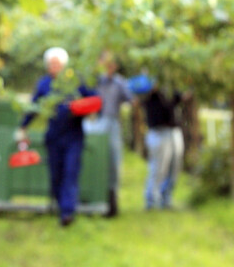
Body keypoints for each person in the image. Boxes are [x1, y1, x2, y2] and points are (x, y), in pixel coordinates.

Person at [16, 47, 96, 226]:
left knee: (70, 172)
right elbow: (34, 108)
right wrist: (23, 127)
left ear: (64, 65)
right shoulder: (44, 85)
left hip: (74, 136)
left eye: (57, 64)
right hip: (53, 136)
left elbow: (95, 99)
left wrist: (84, 109)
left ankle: (67, 213)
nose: (54, 67)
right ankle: (61, 207)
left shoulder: (75, 82)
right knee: (57, 175)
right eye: (51, 64)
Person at [96, 50, 135, 217]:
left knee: (113, 162)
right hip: (94, 122)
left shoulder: (120, 83)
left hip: (112, 123)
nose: (109, 67)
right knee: (95, 159)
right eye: (106, 63)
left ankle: (112, 203)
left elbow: (132, 100)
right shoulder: (94, 82)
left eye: (112, 64)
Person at [140, 83, 185, 210]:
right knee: (158, 168)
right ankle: (151, 200)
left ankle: (165, 198)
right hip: (158, 131)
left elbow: (178, 99)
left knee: (175, 166)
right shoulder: (147, 88)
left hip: (173, 131)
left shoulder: (169, 84)